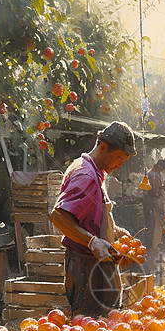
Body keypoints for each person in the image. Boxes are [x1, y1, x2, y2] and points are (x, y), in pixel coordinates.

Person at [50, 121, 136, 317]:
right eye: (120, 158)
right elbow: (58, 216)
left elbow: (86, 216)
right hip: (85, 267)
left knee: (104, 324)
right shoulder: (85, 175)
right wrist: (92, 241)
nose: (121, 164)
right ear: (103, 147)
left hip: (94, 263)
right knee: (90, 328)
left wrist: (113, 230)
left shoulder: (94, 171)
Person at [142, 159, 165, 250]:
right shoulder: (154, 176)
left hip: (149, 201)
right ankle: (152, 245)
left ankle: (151, 244)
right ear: (161, 167)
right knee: (154, 222)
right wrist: (163, 190)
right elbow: (154, 192)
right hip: (152, 202)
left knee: (151, 222)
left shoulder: (152, 173)